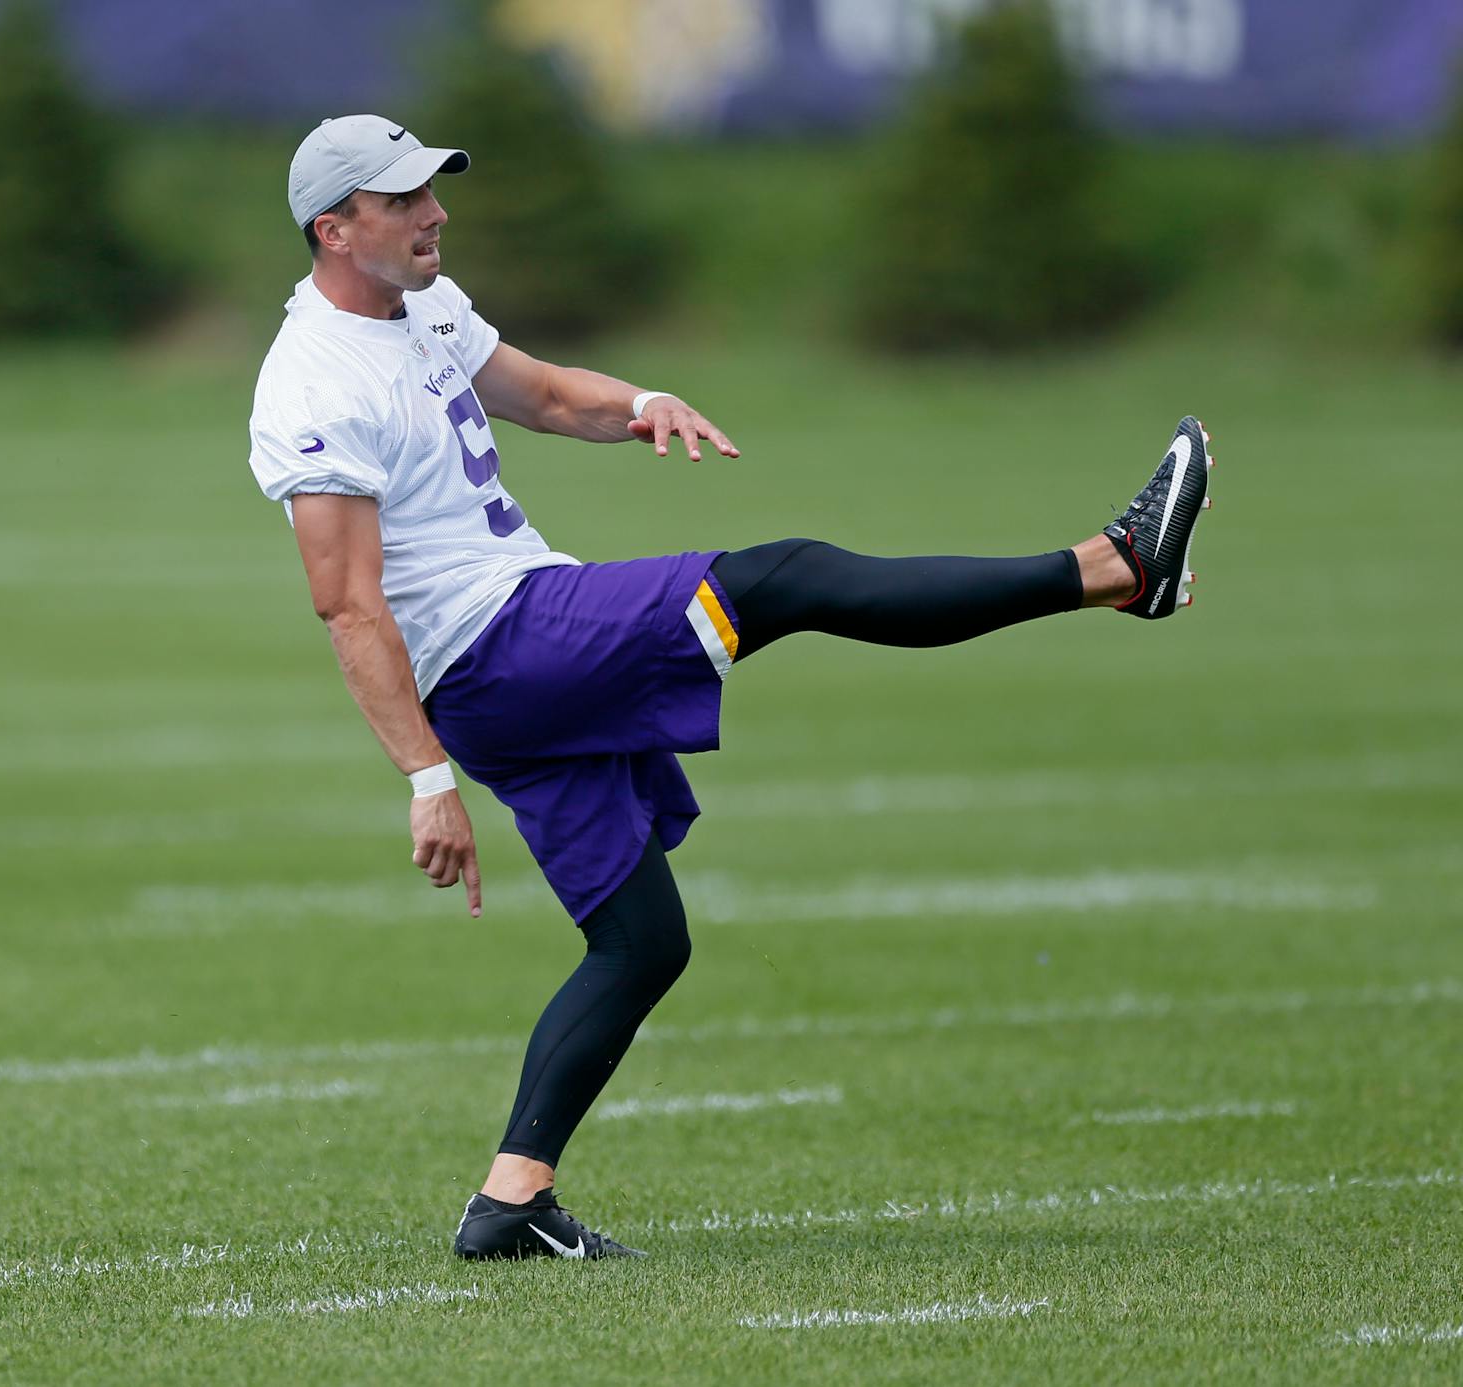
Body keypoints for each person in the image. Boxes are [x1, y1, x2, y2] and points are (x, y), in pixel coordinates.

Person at [245, 115, 1214, 1260]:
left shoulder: (422, 304)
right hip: (503, 651)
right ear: (335, 227)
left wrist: (639, 401)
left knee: (643, 941)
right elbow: (348, 606)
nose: (436, 212)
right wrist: (423, 781)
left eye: (432, 191)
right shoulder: (312, 383)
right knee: (786, 579)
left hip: (520, 645)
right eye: (406, 199)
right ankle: (1112, 569)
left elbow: (548, 394)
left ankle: (508, 1201)